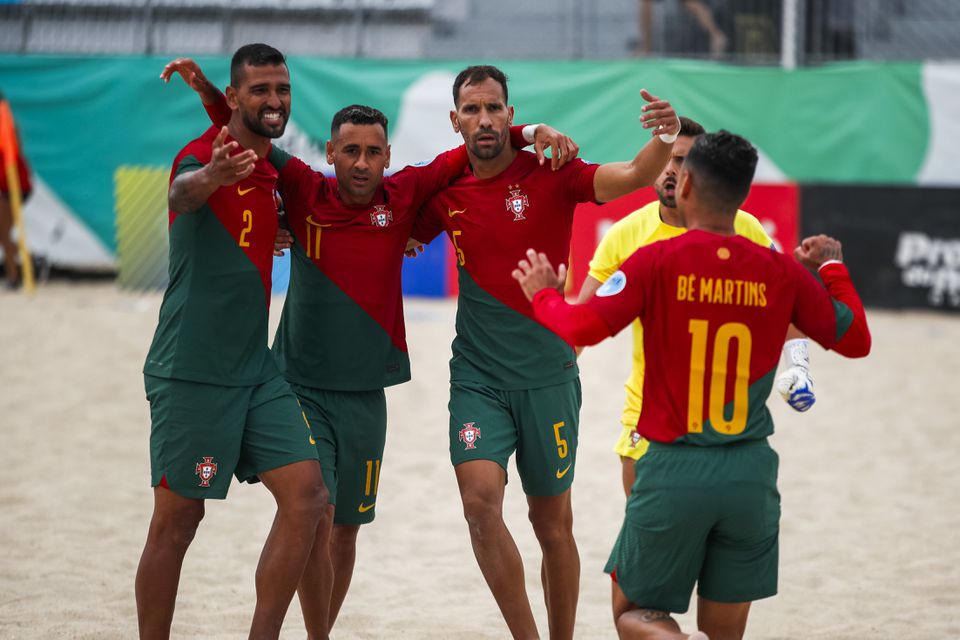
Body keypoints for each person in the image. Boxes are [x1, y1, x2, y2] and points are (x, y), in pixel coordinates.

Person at [160, 58, 579, 637]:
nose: (361, 162)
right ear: (330, 154)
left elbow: (483, 142)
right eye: (350, 150)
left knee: (346, 530)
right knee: (312, 510)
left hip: (368, 394)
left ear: (387, 157)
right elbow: (249, 132)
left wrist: (531, 132)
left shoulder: (405, 194)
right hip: (300, 384)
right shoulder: (305, 189)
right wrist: (213, 95)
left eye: (373, 152)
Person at [512, 130, 871, 640]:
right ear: (743, 196)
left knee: (633, 615)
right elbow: (856, 339)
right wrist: (832, 268)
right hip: (751, 474)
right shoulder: (780, 273)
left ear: (686, 187)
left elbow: (581, 328)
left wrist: (545, 296)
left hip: (674, 465)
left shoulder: (655, 262)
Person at [409, 64, 680, 639]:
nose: (484, 118)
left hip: (549, 378)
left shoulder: (553, 170)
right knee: (480, 505)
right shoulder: (445, 194)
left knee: (551, 524)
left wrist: (663, 137)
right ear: (455, 120)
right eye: (472, 110)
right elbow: (387, 225)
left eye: (494, 109)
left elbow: (634, 174)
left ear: (510, 114)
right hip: (477, 378)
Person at [136, 44, 329, 640]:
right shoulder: (201, 157)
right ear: (237, 96)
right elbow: (180, 194)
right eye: (261, 90)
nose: (274, 101)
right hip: (191, 367)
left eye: (283, 89)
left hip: (255, 368)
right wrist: (213, 175)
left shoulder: (272, 168)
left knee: (308, 496)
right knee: (177, 522)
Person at [578, 116, 816, 496]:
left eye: (686, 162)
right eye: (669, 159)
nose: (674, 171)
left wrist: (798, 365)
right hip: (647, 416)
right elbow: (582, 322)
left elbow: (792, 301)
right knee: (648, 546)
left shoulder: (747, 229)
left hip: (725, 423)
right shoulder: (625, 234)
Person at [0, 94, 32, 289]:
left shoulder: (6, 126)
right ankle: (28, 259)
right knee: (3, 233)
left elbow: (13, 155)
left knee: (3, 233)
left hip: (15, 187)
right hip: (10, 186)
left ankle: (14, 276)